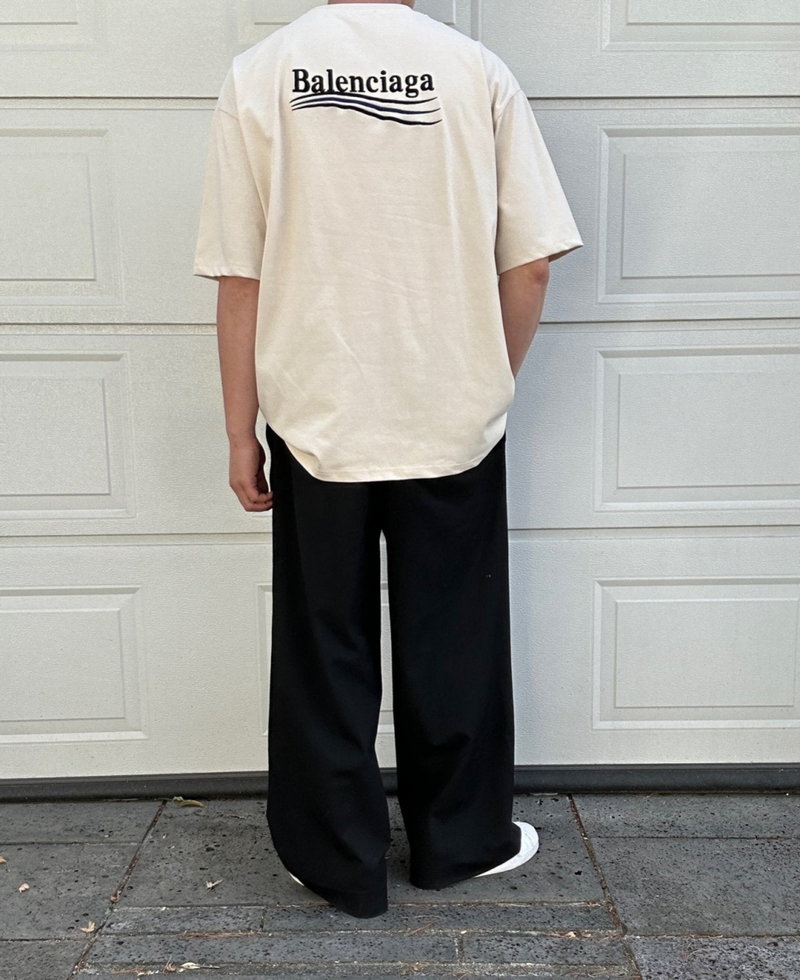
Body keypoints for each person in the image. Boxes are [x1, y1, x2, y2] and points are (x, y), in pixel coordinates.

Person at [194, 0, 582, 919]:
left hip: (317, 414)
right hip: (448, 412)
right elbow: (531, 263)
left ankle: (338, 862)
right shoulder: (474, 71)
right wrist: (488, 378)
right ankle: (460, 844)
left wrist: (240, 431)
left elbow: (241, 274)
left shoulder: (263, 73)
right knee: (455, 633)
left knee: (323, 642)